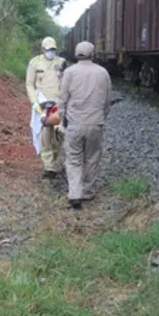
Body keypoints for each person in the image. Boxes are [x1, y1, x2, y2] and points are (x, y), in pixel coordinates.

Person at [57, 41, 112, 209]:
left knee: (73, 159)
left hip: (75, 123)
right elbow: (107, 100)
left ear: (76, 54)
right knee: (92, 158)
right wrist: (102, 117)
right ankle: (88, 192)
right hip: (95, 123)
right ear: (93, 54)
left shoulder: (69, 72)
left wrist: (61, 119)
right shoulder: (103, 72)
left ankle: (75, 194)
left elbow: (62, 98)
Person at [25, 36, 66, 179]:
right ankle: (49, 167)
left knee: (59, 134)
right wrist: (34, 102)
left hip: (58, 104)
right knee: (44, 134)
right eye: (48, 50)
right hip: (42, 105)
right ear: (43, 49)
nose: (51, 52)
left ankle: (55, 160)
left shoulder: (61, 63)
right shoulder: (34, 63)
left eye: (53, 49)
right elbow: (29, 84)